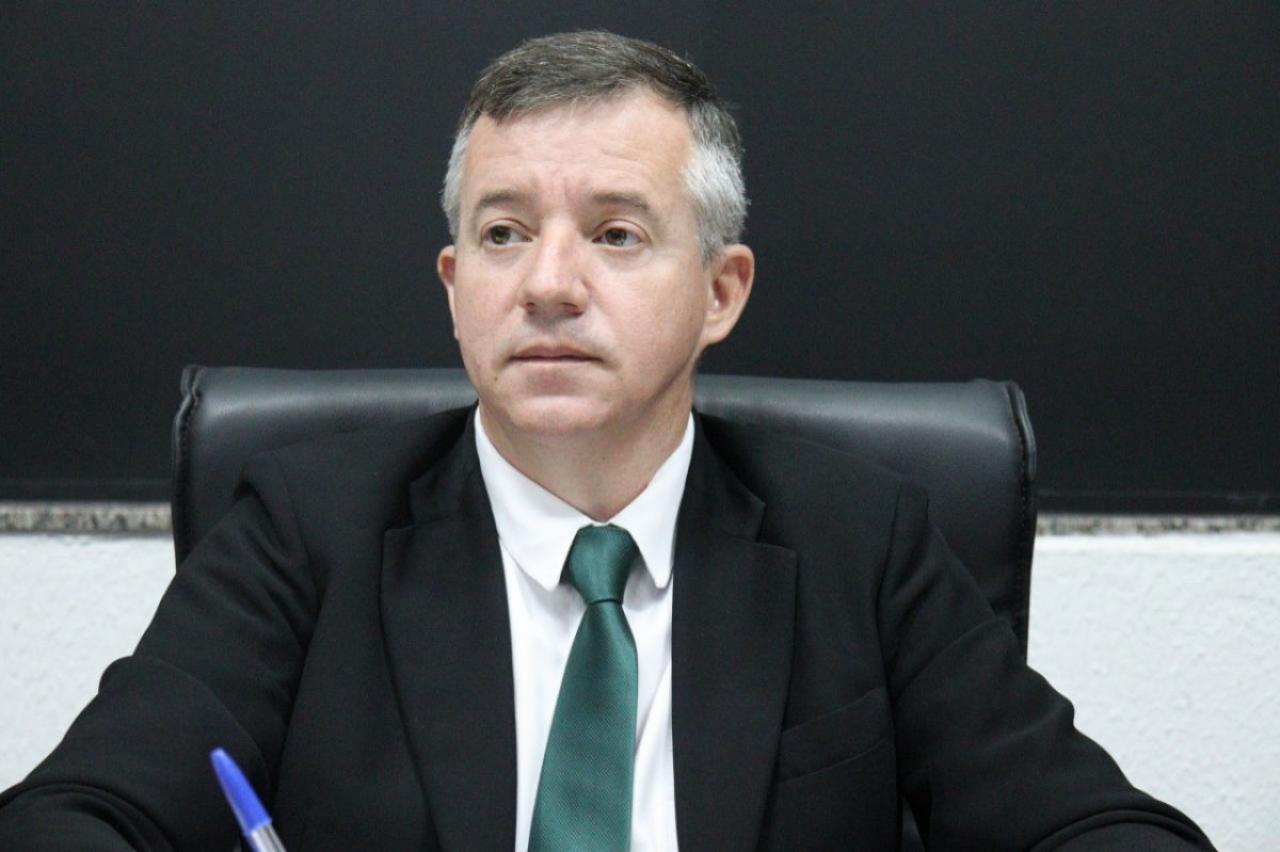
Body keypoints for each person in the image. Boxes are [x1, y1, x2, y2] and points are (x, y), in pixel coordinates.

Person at [0, 31, 1212, 851]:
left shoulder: (862, 536)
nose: (547, 285)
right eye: (502, 234)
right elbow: (78, 812)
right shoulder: (303, 528)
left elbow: (1091, 828)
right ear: (453, 285)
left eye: (616, 235)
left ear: (721, 291)